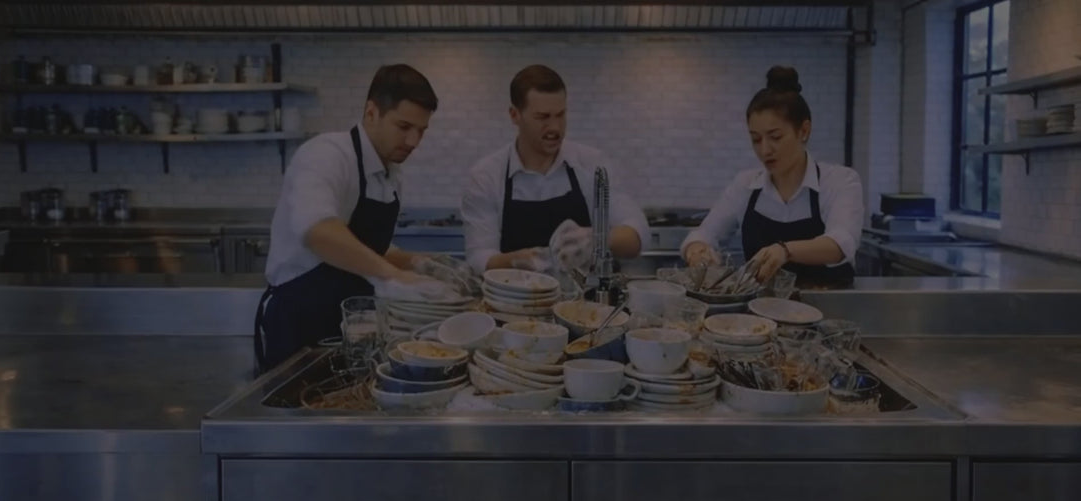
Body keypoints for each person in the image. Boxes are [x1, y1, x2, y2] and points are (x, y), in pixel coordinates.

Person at [254, 64, 468, 373]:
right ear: (371, 112)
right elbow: (318, 230)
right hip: (299, 325)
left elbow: (367, 247)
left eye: (421, 131)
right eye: (404, 126)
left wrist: (421, 263)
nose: (413, 141)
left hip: (354, 327)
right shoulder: (326, 155)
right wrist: (391, 276)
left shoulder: (391, 174)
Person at [681, 66, 864, 288]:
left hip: (829, 305)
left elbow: (841, 244)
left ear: (804, 131)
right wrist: (698, 250)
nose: (765, 150)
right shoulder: (745, 185)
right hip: (762, 309)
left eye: (775, 137)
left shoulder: (839, 181)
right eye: (756, 139)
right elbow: (704, 234)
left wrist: (785, 251)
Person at [461, 64, 651, 275]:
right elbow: (479, 257)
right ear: (515, 115)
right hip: (514, 293)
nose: (555, 127)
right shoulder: (486, 176)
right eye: (542, 117)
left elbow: (638, 233)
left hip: (586, 295)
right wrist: (518, 261)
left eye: (560, 115)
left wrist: (597, 239)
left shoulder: (591, 164)